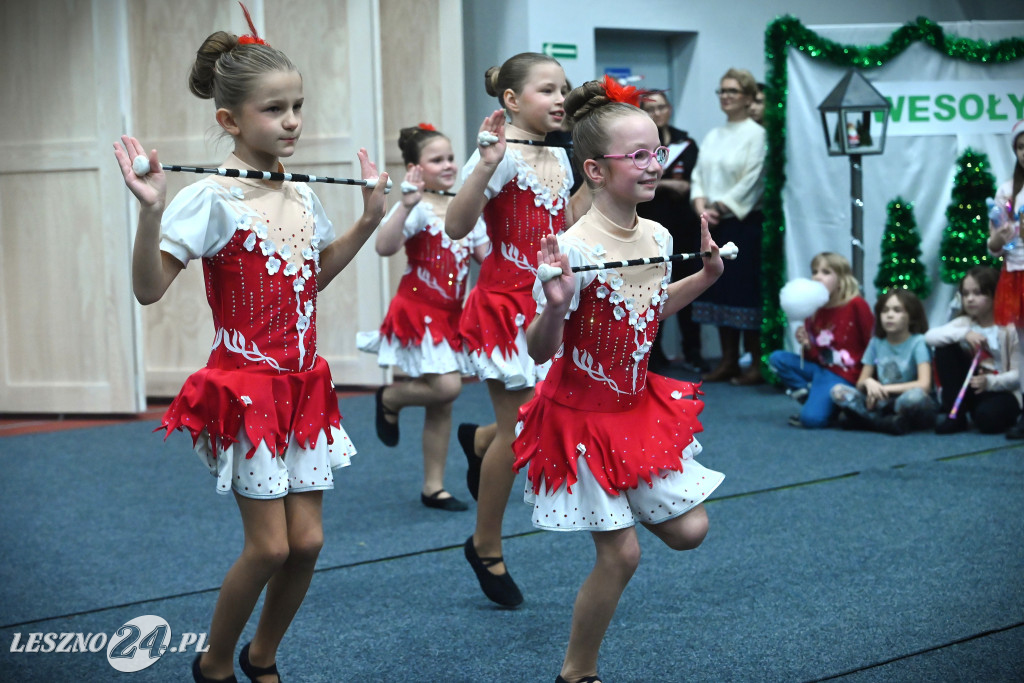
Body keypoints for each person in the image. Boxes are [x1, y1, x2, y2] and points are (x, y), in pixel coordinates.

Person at [112, 12, 387, 682]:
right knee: (268, 546)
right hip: (246, 389)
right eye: (274, 109)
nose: (291, 120)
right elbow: (149, 289)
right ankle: (214, 660)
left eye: (297, 106)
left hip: (304, 386)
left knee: (310, 541)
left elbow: (312, 277)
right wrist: (150, 212)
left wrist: (371, 220)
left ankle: (263, 655)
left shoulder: (298, 191)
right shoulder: (209, 198)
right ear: (231, 120)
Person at [512, 77, 725, 683]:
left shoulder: (657, 235)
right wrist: (554, 306)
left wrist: (705, 278)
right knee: (622, 554)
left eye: (656, 151)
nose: (654, 165)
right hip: (578, 415)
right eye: (638, 156)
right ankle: (576, 672)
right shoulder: (570, 249)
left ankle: (615, 495)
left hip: (634, 406)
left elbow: (646, 312)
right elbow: (536, 349)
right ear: (596, 171)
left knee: (691, 530)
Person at [445, 52, 577, 607]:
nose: (561, 98)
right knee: (523, 430)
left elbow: (567, 228)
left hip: (546, 305)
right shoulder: (503, 156)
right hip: (504, 307)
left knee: (532, 421)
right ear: (512, 101)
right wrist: (482, 163)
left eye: (564, 89)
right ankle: (486, 543)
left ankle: (480, 440)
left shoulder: (562, 157)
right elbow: (456, 225)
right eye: (548, 90)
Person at [358, 124, 488, 511]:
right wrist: (407, 204)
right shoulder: (417, 207)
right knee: (447, 387)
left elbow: (488, 257)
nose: (448, 165)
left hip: (452, 315)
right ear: (416, 168)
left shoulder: (464, 206)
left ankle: (433, 486)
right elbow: (384, 246)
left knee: (442, 404)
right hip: (418, 312)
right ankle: (392, 397)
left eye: (450, 158)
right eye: (437, 160)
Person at [691, 68, 767, 385]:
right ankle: (728, 360)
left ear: (748, 97)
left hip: (742, 223)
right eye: (722, 91)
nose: (725, 97)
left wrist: (720, 207)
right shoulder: (713, 135)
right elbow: (698, 176)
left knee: (743, 291)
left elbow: (752, 180)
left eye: (732, 91)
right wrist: (702, 207)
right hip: (714, 224)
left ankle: (753, 362)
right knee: (718, 287)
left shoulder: (757, 134)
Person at [637, 89, 705, 372]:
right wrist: (666, 184)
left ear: (669, 109)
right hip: (649, 225)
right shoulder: (636, 144)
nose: (656, 114)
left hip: (685, 228)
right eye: (649, 109)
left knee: (688, 289)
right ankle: (654, 355)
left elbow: (692, 182)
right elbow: (638, 177)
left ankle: (694, 352)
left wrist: (662, 182)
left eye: (661, 108)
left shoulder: (686, 142)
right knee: (652, 290)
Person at [768, 252, 874, 428]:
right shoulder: (814, 308)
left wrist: (867, 380)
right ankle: (817, 397)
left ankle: (832, 401)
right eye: (815, 271)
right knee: (777, 359)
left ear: (841, 278)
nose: (817, 277)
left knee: (811, 420)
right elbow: (813, 357)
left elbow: (872, 345)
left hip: (845, 375)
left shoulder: (856, 305)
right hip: (820, 370)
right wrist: (807, 344)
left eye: (826, 272)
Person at [831, 289, 937, 435]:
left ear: (911, 316)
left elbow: (924, 385)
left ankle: (867, 421)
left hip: (907, 401)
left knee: (914, 398)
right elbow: (861, 383)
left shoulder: (918, 342)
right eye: (885, 311)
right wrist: (868, 383)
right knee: (837, 391)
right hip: (882, 402)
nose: (890, 315)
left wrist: (884, 389)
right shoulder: (875, 342)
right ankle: (884, 423)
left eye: (897, 310)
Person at [928, 266, 1021, 434]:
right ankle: (956, 416)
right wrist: (964, 334)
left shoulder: (1010, 329)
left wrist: (990, 382)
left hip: (1003, 391)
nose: (970, 299)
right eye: (965, 294)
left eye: (978, 293)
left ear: (995, 294)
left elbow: (1019, 375)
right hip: (972, 388)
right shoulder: (966, 323)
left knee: (987, 420)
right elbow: (929, 337)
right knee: (945, 348)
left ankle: (989, 413)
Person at [988, 119, 1024, 438]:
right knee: (1020, 346)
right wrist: (1002, 237)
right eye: (1021, 146)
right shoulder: (1007, 191)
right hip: (1015, 275)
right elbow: (994, 247)